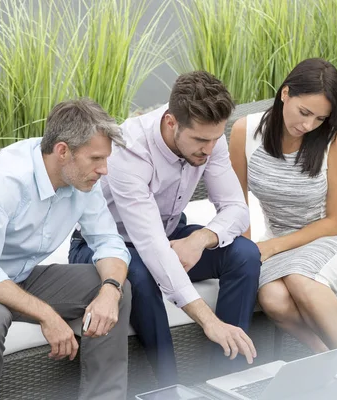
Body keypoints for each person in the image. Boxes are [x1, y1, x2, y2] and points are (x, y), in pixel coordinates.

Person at [68, 71, 261, 386]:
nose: (210, 149)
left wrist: (200, 239)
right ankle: (168, 389)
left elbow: (238, 210)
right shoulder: (128, 150)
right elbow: (151, 247)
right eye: (200, 140)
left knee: (245, 254)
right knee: (141, 273)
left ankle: (225, 383)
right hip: (101, 248)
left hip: (168, 234)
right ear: (172, 122)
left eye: (215, 138)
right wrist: (209, 322)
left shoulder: (210, 139)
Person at [0, 99, 132, 400]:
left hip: (23, 276)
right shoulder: (5, 180)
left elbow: (109, 241)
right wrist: (47, 315)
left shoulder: (83, 179)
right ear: (63, 151)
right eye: (96, 158)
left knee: (114, 289)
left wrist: (110, 290)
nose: (104, 169)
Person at [228, 58, 337, 353]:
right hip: (280, 240)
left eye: (319, 119)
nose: (308, 125)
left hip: (332, 237)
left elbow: (336, 222)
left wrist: (273, 247)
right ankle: (325, 357)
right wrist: (248, 252)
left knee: (300, 278)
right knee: (271, 299)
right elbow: (235, 205)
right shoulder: (245, 132)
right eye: (304, 112)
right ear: (285, 93)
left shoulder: (336, 142)